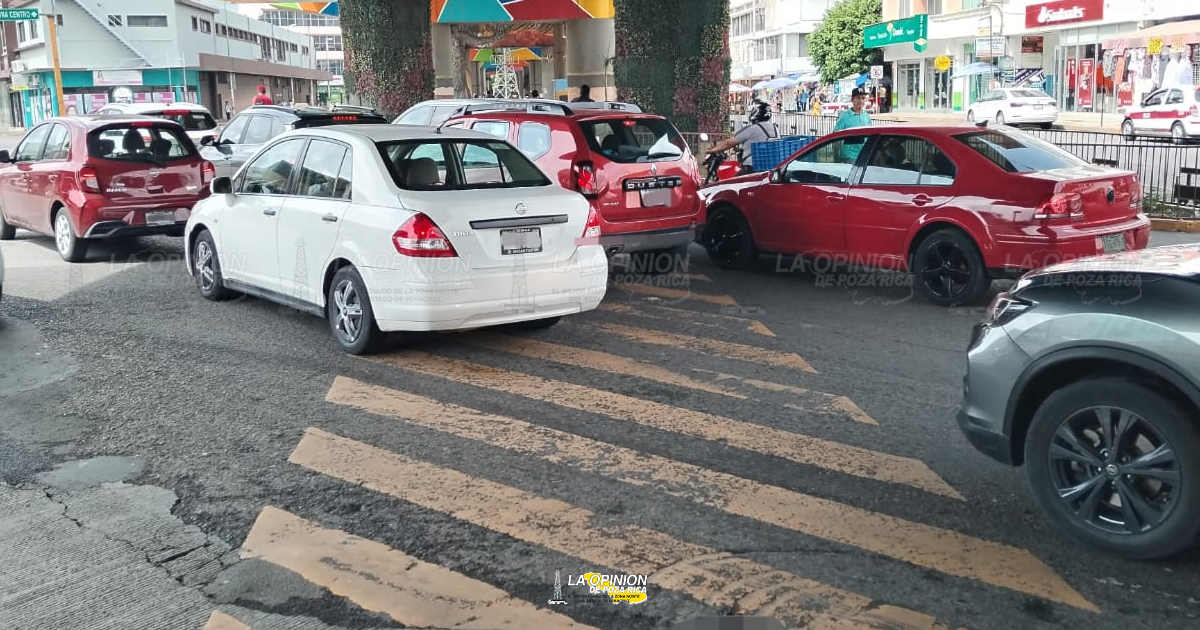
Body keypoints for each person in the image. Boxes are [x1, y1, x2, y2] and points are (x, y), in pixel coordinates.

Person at [703, 98, 779, 175]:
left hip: (751, 168)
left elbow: (729, 143)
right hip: (771, 167)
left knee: (732, 183)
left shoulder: (753, 128)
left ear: (756, 112)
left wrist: (712, 150)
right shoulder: (775, 129)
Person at [835, 88, 872, 162]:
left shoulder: (867, 116)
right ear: (852, 99)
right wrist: (836, 157)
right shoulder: (845, 116)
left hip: (864, 156)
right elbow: (835, 137)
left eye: (863, 98)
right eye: (858, 98)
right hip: (850, 157)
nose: (861, 101)